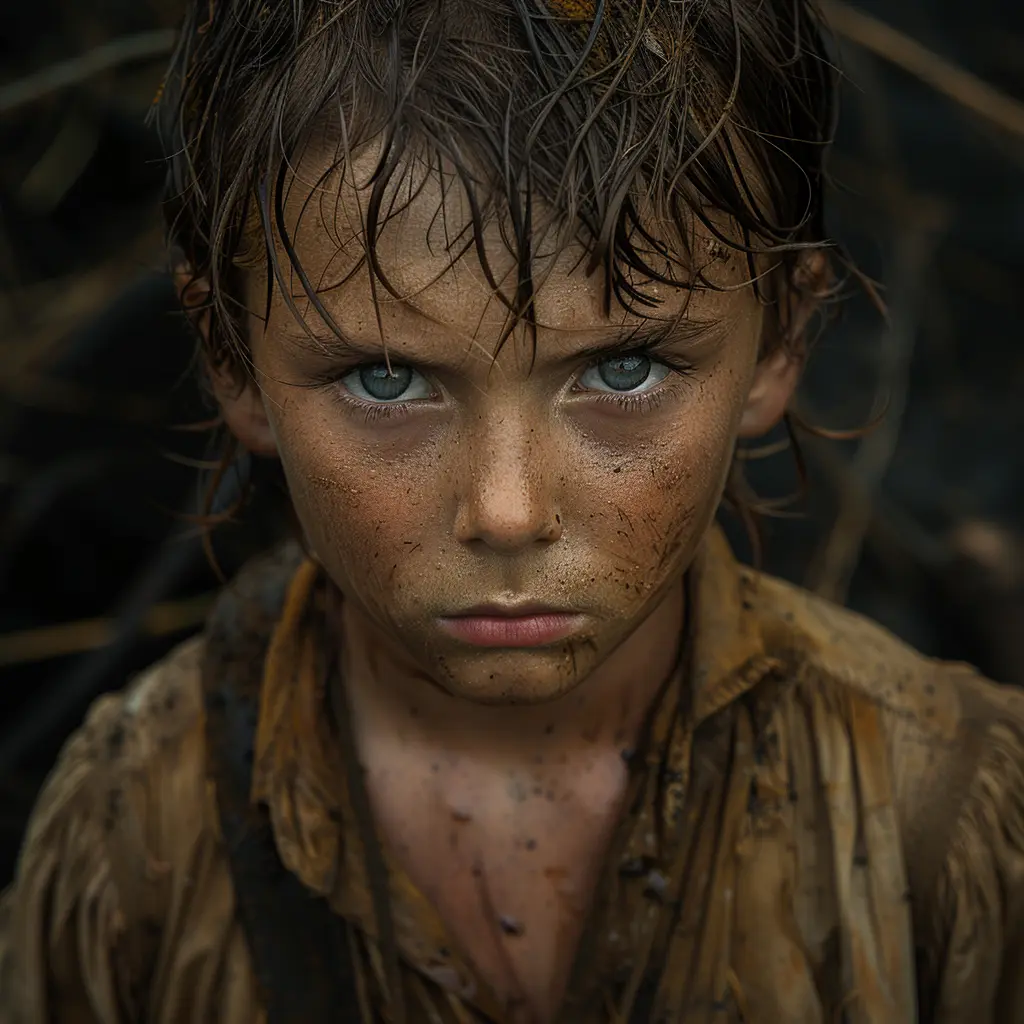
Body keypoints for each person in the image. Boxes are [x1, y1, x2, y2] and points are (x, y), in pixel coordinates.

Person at [3, 0, 1024, 1020]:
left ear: (780, 340)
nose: (505, 510)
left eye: (623, 370)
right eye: (387, 381)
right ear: (230, 356)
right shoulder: (135, 835)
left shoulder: (944, 815)